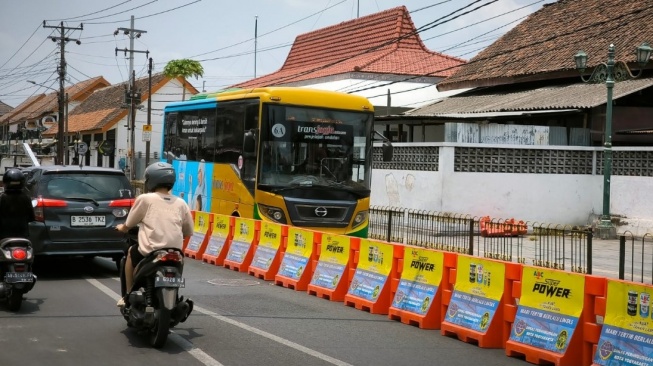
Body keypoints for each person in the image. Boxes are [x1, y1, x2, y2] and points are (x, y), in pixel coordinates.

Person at [115, 162, 194, 307]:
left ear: (151, 180)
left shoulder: (145, 199)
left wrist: (122, 228)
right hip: (176, 252)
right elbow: (188, 231)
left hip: (151, 251)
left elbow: (130, 223)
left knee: (131, 252)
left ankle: (127, 296)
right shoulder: (181, 203)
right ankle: (175, 298)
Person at [0, 168, 36, 240]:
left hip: (4, 236)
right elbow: (32, 218)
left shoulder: (2, 198)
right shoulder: (26, 198)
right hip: (23, 236)